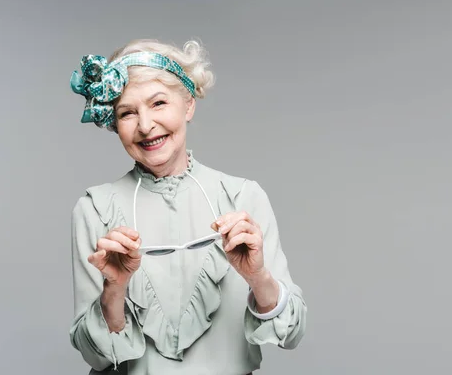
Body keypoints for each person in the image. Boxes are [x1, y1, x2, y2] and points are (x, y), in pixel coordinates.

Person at [68, 39, 307, 375]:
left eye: (159, 103)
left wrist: (258, 277)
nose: (146, 125)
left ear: (188, 104)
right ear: (113, 122)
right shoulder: (94, 210)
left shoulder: (243, 198)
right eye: (127, 112)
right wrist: (115, 289)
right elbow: (97, 358)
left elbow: (291, 333)